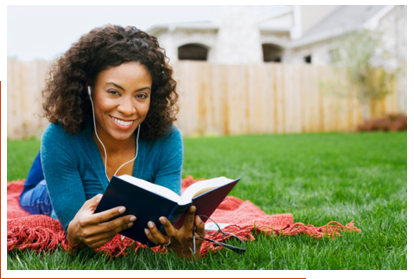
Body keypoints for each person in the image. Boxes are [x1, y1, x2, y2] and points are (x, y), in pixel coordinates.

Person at [19, 25, 205, 259]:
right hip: (49, 181)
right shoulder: (60, 136)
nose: (128, 109)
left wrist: (179, 238)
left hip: (71, 148)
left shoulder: (168, 139)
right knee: (31, 194)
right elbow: (74, 234)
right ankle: (47, 165)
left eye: (141, 95)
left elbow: (168, 215)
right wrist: (74, 234)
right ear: (89, 88)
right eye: (114, 92)